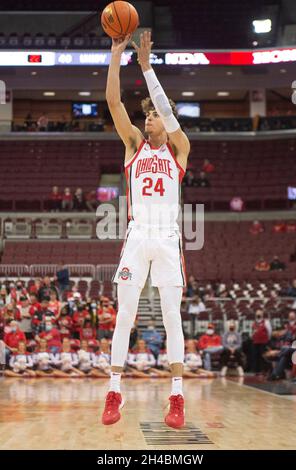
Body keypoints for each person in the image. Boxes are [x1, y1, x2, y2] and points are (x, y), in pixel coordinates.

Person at [101, 31, 190, 429]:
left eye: (154, 113)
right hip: (137, 235)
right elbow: (113, 103)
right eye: (148, 113)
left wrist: (148, 68)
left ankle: (177, 398)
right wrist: (117, 56)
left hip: (169, 238)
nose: (148, 117)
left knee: (173, 317)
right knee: (125, 315)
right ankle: (113, 392)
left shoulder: (179, 147)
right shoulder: (134, 144)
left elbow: (169, 117)